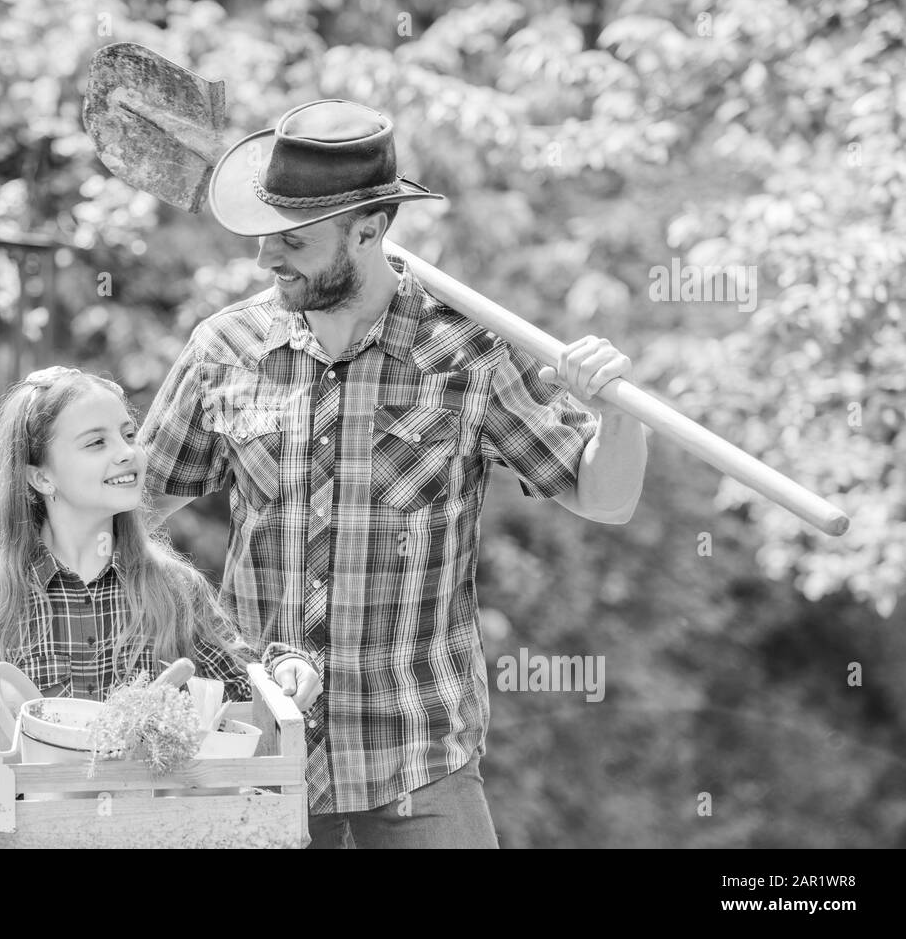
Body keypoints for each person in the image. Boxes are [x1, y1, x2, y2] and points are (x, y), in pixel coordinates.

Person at [138, 99, 648, 848]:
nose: (264, 260)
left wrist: (618, 412)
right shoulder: (228, 347)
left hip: (418, 763)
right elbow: (127, 508)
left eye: (292, 241)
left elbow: (606, 498)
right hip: (254, 752)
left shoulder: (468, 353)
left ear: (369, 231)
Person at [0, 366, 279, 766]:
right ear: (41, 478)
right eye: (97, 442)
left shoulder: (175, 591)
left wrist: (283, 672)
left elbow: (253, 697)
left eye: (128, 435)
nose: (126, 453)